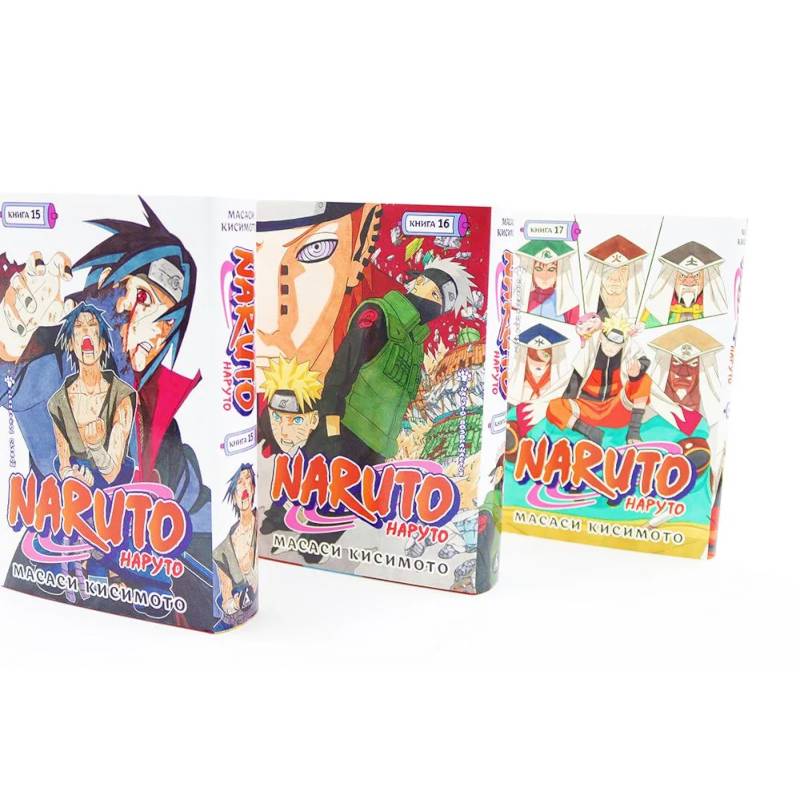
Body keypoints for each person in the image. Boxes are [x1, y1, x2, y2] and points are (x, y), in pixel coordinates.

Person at [307, 256, 477, 466]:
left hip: (376, 454)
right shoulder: (379, 314)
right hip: (342, 434)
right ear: (419, 282)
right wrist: (331, 429)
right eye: (434, 294)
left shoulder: (416, 347)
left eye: (442, 306)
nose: (435, 305)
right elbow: (342, 369)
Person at [48, 303, 136, 487]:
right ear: (71, 343)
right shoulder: (58, 402)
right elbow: (63, 462)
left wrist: (96, 447)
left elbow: (112, 474)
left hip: (116, 493)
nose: (86, 330)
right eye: (78, 326)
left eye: (92, 324)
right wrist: (72, 476)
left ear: (103, 343)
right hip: (75, 494)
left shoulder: (121, 395)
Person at [546, 315, 652, 445]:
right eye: (608, 341)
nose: (611, 347)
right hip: (587, 410)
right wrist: (565, 408)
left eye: (616, 344)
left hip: (615, 409)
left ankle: (633, 433)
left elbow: (644, 361)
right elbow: (575, 381)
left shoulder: (628, 349)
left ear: (623, 344)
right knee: (554, 406)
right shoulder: (590, 349)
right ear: (601, 337)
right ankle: (589, 431)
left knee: (644, 379)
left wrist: (637, 372)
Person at [641, 241, 727, 327]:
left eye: (696, 276)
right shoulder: (656, 311)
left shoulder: (714, 309)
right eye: (682, 275)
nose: (689, 282)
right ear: (672, 278)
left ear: (706, 278)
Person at [213, 464, 258, 625]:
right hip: (237, 619)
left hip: (255, 614)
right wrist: (235, 604)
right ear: (233, 497)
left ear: (253, 488)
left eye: (247, 479)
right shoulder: (223, 550)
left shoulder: (261, 521)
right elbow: (226, 601)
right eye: (239, 482)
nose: (244, 485)